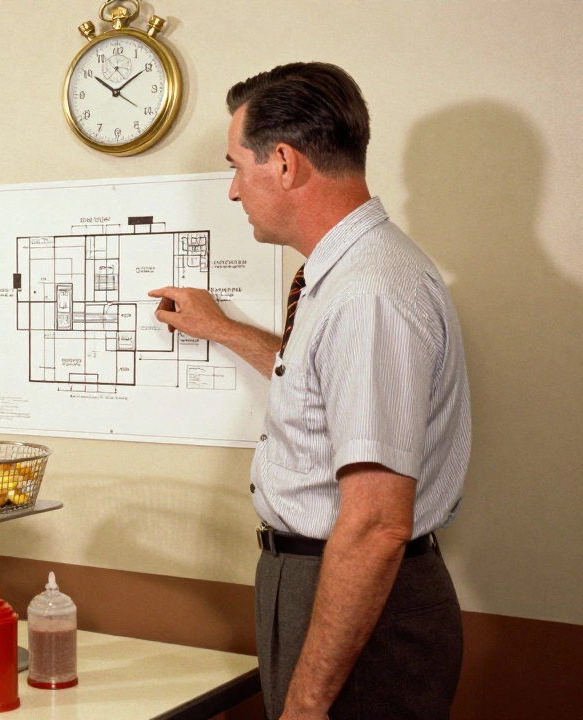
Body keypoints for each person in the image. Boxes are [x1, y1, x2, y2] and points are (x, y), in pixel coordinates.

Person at [148, 63, 469, 720]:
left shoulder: (370, 292)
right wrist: (222, 329)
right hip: (321, 582)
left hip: (356, 594)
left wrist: (307, 702)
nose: (233, 191)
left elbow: (377, 523)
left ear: (285, 163)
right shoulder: (352, 277)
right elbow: (323, 384)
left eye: (237, 166)